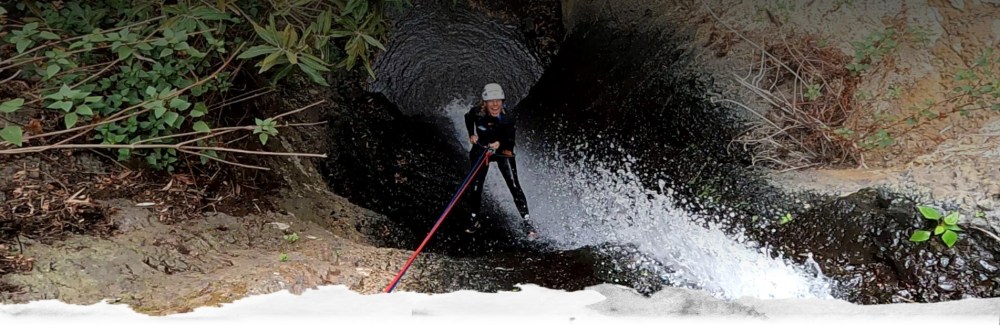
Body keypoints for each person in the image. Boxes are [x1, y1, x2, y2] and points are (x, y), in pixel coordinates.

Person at [464, 83, 536, 239]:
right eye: (491, 101)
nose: (495, 104)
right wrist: (472, 134)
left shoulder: (508, 118)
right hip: (482, 149)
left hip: (502, 150)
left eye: (498, 100)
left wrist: (498, 144)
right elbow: (467, 118)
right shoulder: (477, 113)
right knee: (475, 186)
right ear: (485, 103)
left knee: (514, 184)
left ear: (503, 102)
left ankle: (527, 221)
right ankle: (474, 218)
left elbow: (510, 140)